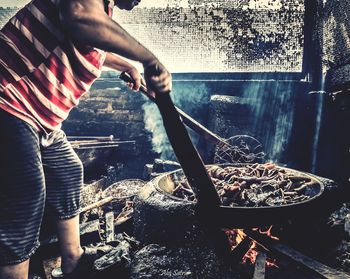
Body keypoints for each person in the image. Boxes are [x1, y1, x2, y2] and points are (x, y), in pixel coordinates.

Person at [0, 0, 172, 278]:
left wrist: (127, 64)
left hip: (38, 118)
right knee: (26, 199)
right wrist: (148, 59)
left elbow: (84, 39)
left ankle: (74, 261)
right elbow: (78, 17)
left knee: (68, 170)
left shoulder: (102, 10)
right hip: (9, 103)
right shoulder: (86, 9)